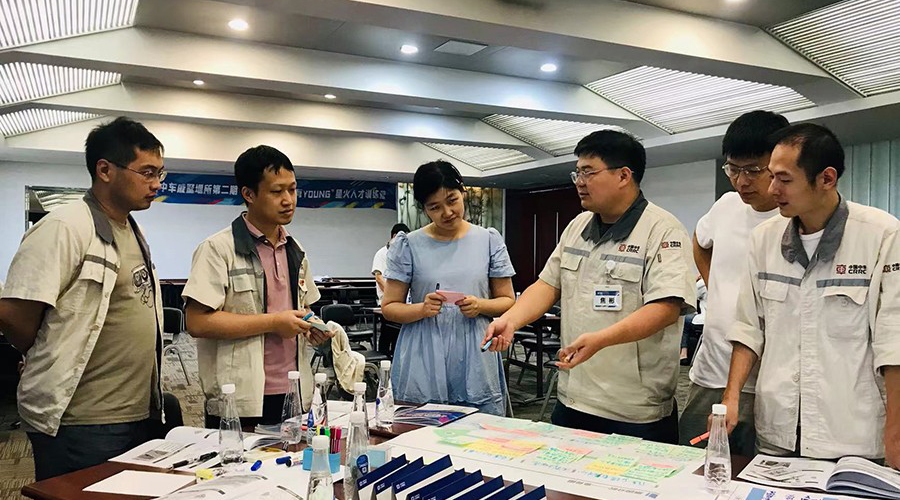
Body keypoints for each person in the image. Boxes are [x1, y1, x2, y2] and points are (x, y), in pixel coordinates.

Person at [483, 129, 695, 442]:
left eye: (588, 172)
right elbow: (547, 285)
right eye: (577, 173)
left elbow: (665, 308)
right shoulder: (578, 226)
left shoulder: (662, 230)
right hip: (573, 398)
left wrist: (601, 340)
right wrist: (511, 319)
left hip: (635, 408)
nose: (579, 182)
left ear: (623, 176)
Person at [722, 123, 900, 463]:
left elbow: (894, 341)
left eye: (784, 179)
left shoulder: (881, 235)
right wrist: (730, 398)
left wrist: (896, 429)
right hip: (778, 430)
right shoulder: (764, 239)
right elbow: (748, 327)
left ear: (826, 178)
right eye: (771, 176)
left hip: (852, 435)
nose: (772, 189)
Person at [0, 117, 166, 480]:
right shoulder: (65, 227)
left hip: (134, 413)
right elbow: (13, 314)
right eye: (147, 172)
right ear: (105, 170)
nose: (156, 184)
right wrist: (43, 351)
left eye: (159, 173)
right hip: (82, 421)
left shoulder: (132, 229)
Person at [183, 145, 333, 428]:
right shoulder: (218, 249)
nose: (288, 200)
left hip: (294, 390)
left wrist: (310, 324)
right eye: (277, 192)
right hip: (240, 397)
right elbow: (197, 322)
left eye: (292, 189)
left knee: (292, 456)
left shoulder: (295, 249)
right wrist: (274, 322)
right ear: (249, 194)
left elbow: (302, 306)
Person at [678, 110, 788, 455]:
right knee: (691, 461)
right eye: (733, 169)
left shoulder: (795, 218)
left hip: (769, 380)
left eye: (753, 170)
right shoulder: (726, 206)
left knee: (757, 470)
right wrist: (714, 286)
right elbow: (700, 241)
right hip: (712, 370)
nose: (741, 181)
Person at [381, 160, 515, 415]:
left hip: (475, 349)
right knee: (421, 425)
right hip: (423, 349)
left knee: (478, 430)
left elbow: (508, 300)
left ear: (463, 191)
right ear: (424, 209)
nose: (447, 212)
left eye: (452, 200)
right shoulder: (408, 245)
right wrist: (421, 309)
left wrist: (480, 305)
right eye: (435, 207)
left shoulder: (488, 240)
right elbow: (389, 307)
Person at [372, 223, 410, 306]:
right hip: (387, 301)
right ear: (394, 236)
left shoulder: (403, 254)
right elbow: (379, 278)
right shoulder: (381, 253)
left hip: (403, 302)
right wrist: (392, 296)